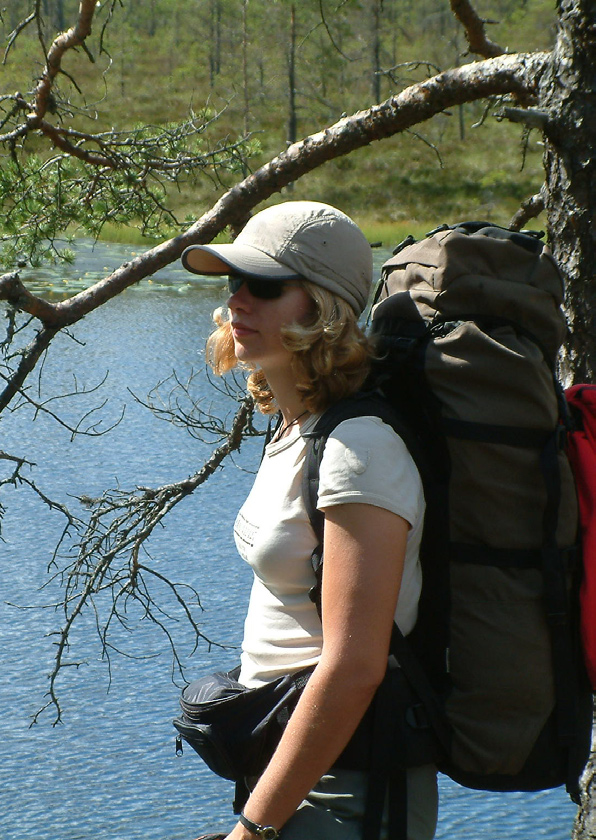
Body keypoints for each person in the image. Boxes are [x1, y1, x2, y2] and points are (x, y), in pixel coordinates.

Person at [181, 201, 438, 840]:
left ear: (322, 307)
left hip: (346, 788)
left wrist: (253, 830)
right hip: (287, 766)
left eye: (264, 285)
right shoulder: (297, 427)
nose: (238, 300)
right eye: (232, 282)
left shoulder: (361, 449)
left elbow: (355, 666)